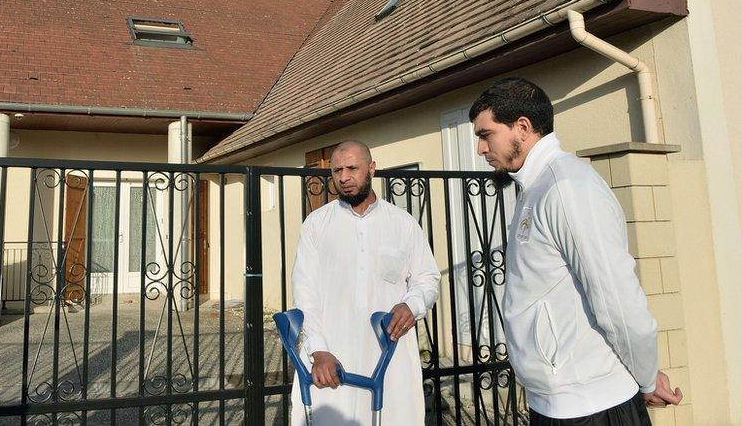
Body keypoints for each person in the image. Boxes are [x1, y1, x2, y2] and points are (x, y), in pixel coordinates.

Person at [469, 77, 683, 424]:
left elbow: (617, 299)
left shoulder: (566, 188)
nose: (481, 149)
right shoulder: (534, 187)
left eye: (485, 134)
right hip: (557, 403)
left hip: (592, 406)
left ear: (522, 127)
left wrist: (646, 376)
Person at [290, 140, 440, 425]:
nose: (344, 178)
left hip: (389, 357)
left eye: (352, 168)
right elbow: (304, 291)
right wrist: (318, 349)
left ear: (372, 168)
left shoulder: (403, 223)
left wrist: (412, 304)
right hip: (331, 358)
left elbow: (428, 278)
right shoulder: (316, 225)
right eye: (337, 171)